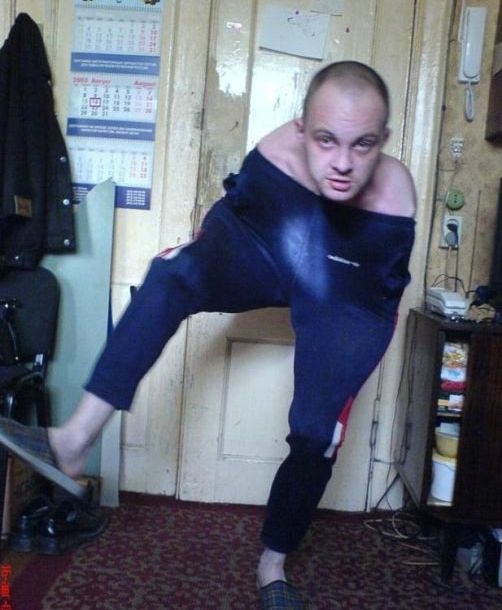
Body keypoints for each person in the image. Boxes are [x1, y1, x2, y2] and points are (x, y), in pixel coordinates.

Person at [0, 61, 416, 609]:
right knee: (173, 274)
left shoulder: (394, 202)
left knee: (317, 432)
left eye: (362, 145)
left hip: (349, 282)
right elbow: (231, 225)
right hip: (278, 243)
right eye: (326, 140)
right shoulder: (276, 157)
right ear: (301, 129)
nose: (342, 163)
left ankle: (273, 565)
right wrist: (202, 259)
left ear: (383, 140)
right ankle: (74, 440)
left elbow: (374, 306)